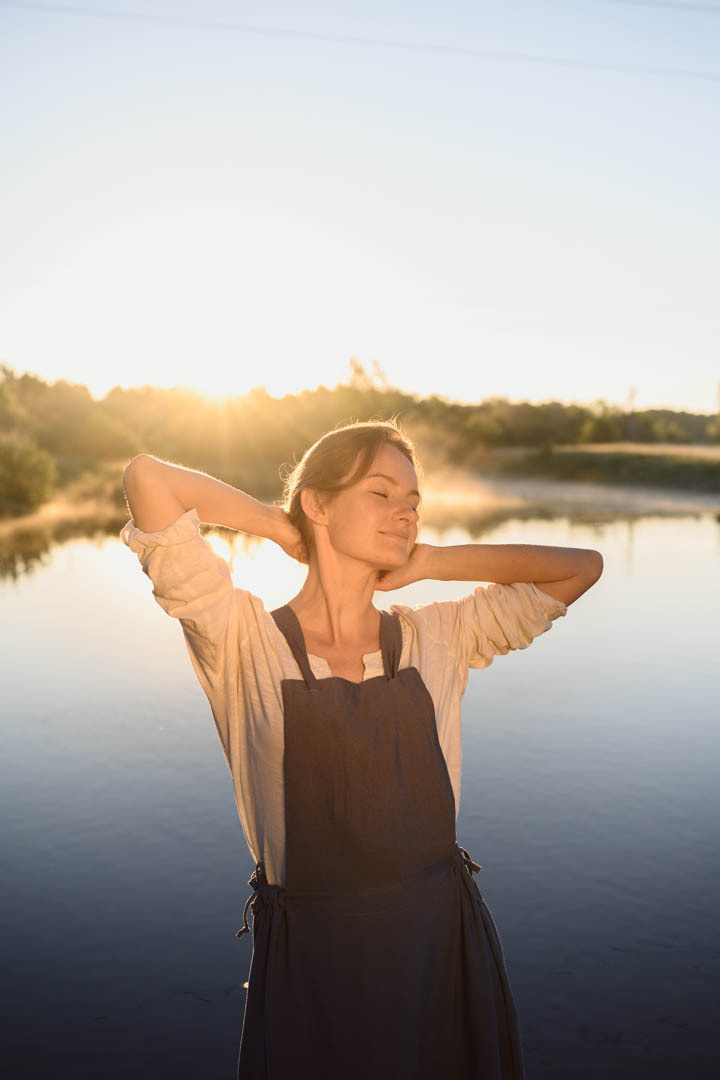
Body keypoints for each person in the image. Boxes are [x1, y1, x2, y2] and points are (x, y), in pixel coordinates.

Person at [121, 420, 603, 1080]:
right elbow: (148, 478)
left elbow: (581, 568)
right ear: (319, 503)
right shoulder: (242, 642)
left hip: (440, 948)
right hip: (316, 968)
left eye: (413, 500)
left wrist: (429, 562)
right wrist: (280, 526)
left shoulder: (439, 637)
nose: (405, 512)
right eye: (380, 493)